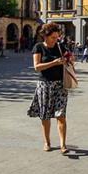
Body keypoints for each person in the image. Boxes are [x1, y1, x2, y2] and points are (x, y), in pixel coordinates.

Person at [28, 23, 70, 154]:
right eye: (53, 37)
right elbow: (36, 67)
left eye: (57, 37)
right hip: (44, 85)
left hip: (60, 85)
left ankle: (63, 145)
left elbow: (70, 59)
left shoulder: (60, 46)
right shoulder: (38, 47)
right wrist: (54, 63)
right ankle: (47, 142)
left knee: (61, 115)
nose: (55, 39)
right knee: (45, 116)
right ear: (45, 36)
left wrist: (69, 59)